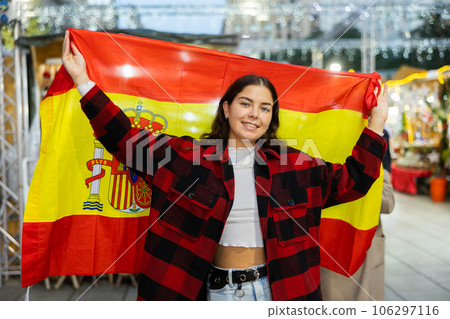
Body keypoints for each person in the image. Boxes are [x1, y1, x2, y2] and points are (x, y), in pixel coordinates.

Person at [62, 30, 388, 301]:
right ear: (227, 109)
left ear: (272, 118)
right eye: (245, 103)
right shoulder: (184, 157)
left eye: (265, 108)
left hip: (282, 295)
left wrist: (377, 123)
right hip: (217, 293)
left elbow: (353, 180)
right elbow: (124, 138)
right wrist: (82, 80)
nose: (253, 114)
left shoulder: (296, 166)